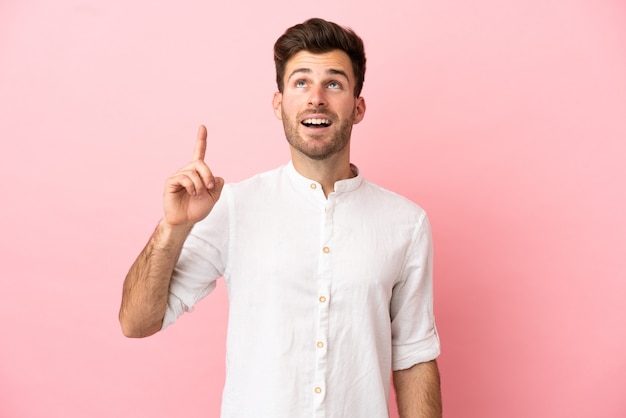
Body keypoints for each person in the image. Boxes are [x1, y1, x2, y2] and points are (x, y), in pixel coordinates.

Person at [119, 17, 442, 418]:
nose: (316, 98)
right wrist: (173, 228)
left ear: (357, 108)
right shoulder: (235, 207)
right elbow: (136, 322)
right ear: (279, 103)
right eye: (301, 82)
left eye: (334, 83)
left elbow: (414, 355)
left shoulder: (406, 224)